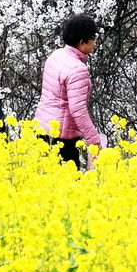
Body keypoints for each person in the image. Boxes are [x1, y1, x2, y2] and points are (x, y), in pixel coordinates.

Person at [38, 15, 107, 169]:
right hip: (62, 138)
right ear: (82, 43)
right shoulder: (77, 69)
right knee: (68, 187)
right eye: (92, 38)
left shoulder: (56, 56)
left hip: (41, 130)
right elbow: (78, 110)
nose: (95, 42)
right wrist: (94, 141)